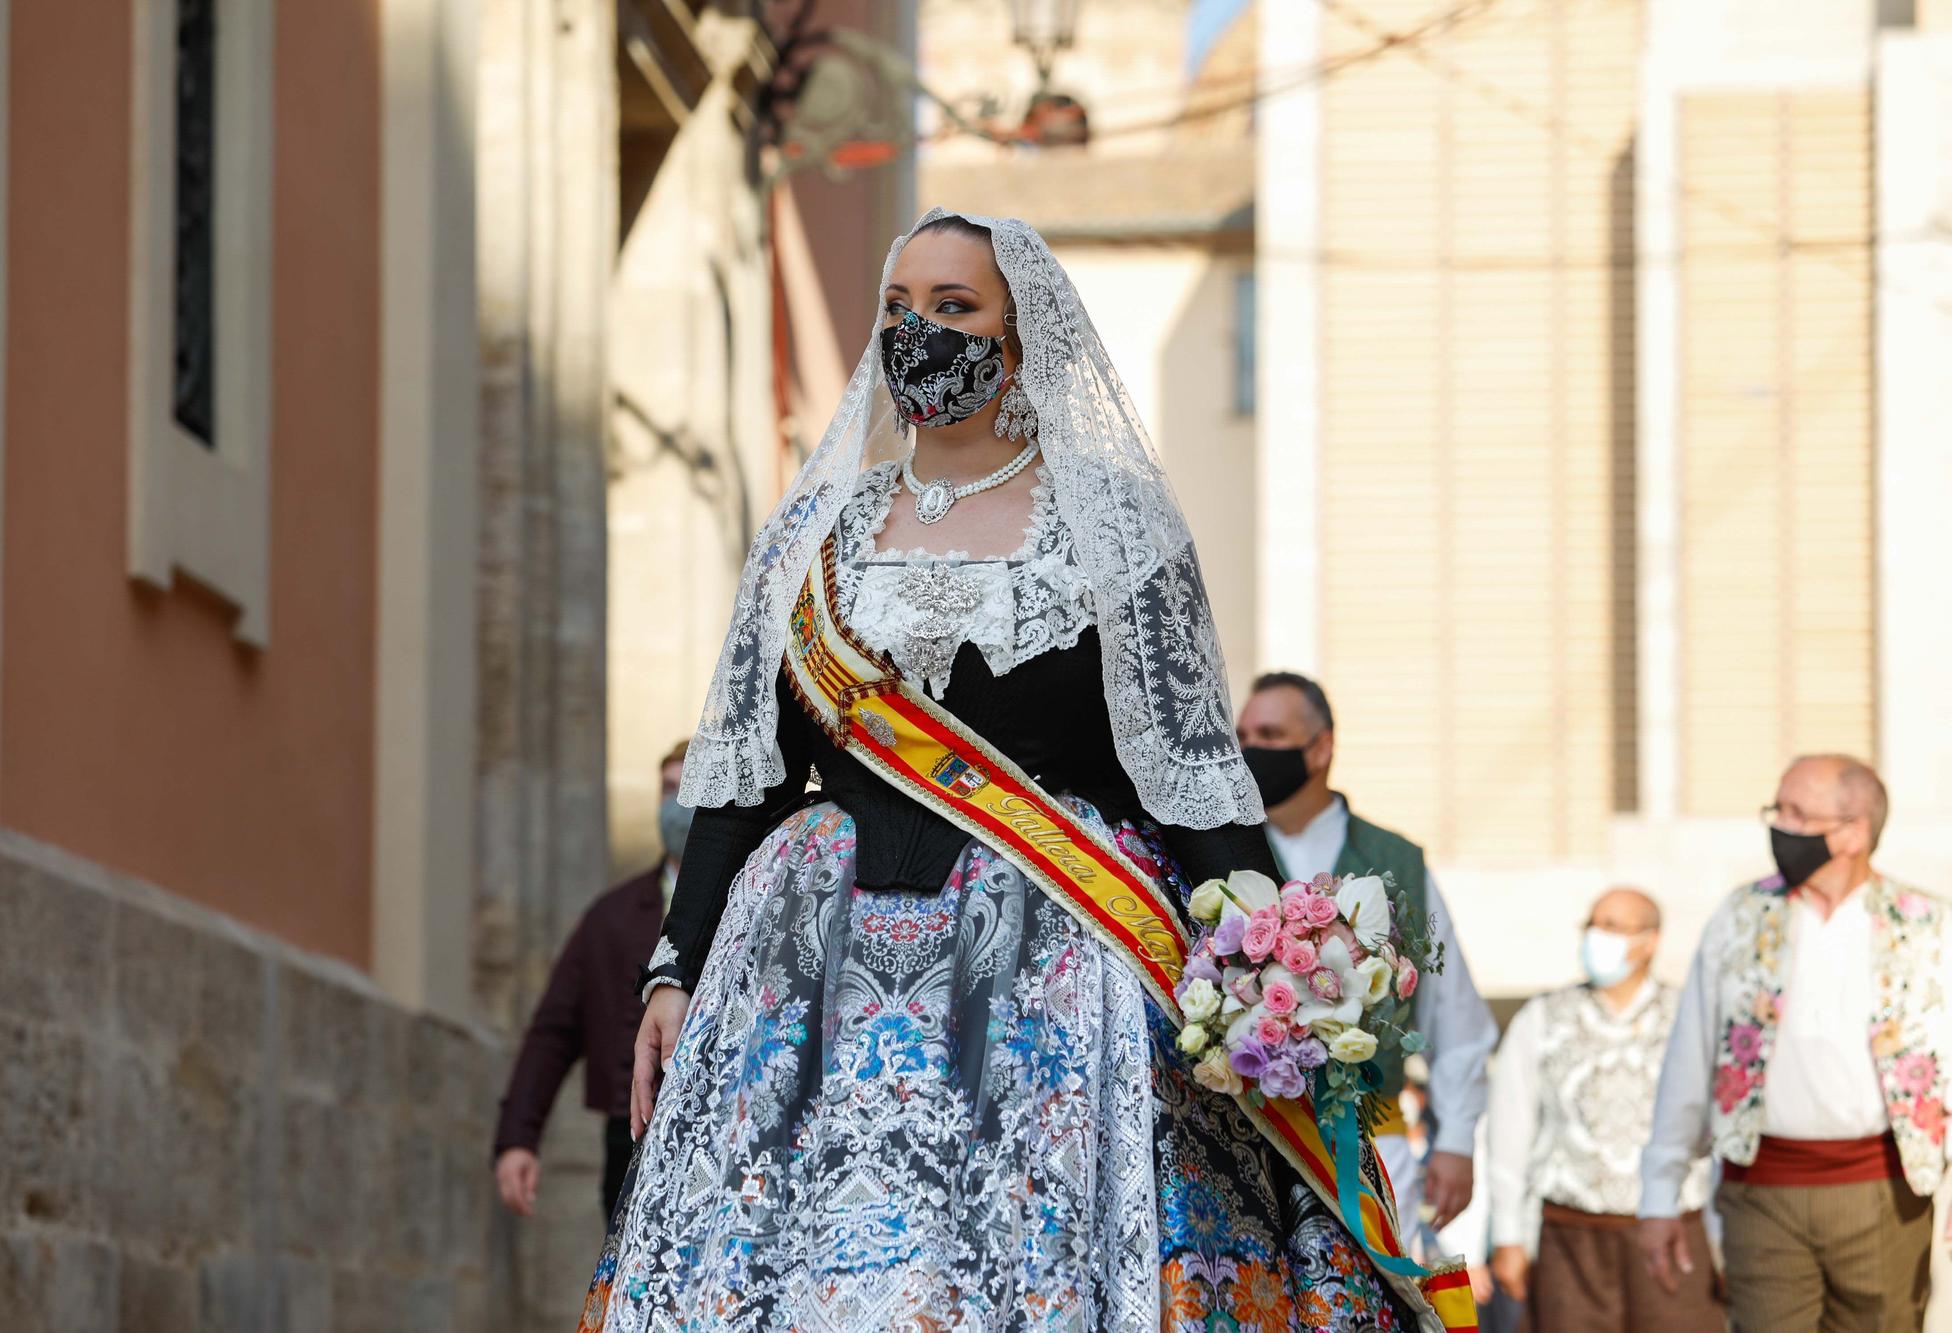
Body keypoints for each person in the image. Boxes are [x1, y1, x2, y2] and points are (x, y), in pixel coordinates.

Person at [578, 211, 1452, 1331]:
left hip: (1052, 969)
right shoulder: (812, 531)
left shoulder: (1114, 529)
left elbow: (1183, 780)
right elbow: (744, 777)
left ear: (1020, 335)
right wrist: (673, 966)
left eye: (954, 309)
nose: (919, 335)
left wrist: (1280, 967)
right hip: (805, 973)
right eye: (899, 308)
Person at [1640, 755, 1947, 1333]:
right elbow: (1689, 1058)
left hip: (1885, 1194)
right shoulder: (1740, 916)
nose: (1779, 826)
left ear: (1854, 831)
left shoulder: (1928, 926)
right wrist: (1659, 1193)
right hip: (1762, 1195)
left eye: (1797, 813)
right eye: (1776, 809)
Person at [1236, 671, 1497, 1252]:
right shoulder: (1223, 854)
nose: (1250, 750)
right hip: (1252, 1143)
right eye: (1242, 734)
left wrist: (1455, 1141)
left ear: (1321, 747)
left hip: (1377, 1149)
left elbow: (1454, 1016)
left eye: (1271, 734)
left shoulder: (1395, 861)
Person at [1487, 888, 1721, 1332]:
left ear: (1649, 941)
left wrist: (1725, 1240)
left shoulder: (1689, 1015)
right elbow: (1508, 1131)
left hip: (1673, 1236)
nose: (1596, 936)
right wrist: (1508, 1237)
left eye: (1612, 926)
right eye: (1593, 924)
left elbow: (1718, 1135)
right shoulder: (1542, 1017)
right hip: (1572, 1240)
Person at [492, 741, 690, 1227]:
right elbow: (554, 1030)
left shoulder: (758, 894)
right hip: (631, 1139)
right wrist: (518, 1137)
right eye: (666, 789)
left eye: (686, 788)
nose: (675, 804)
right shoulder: (612, 916)